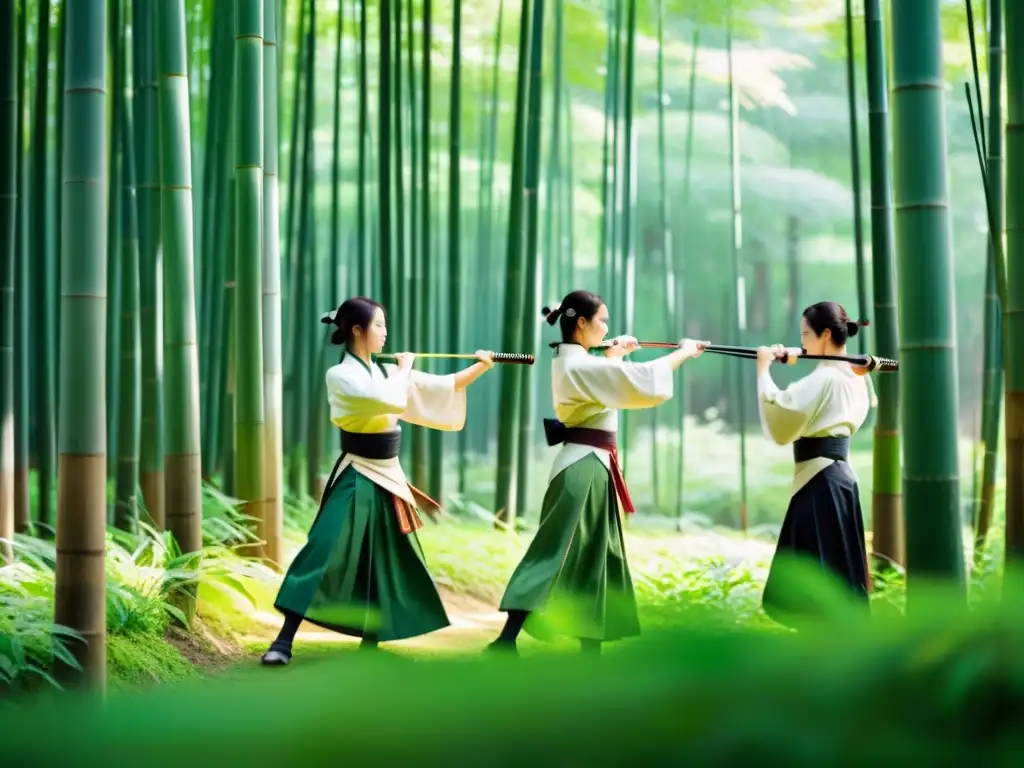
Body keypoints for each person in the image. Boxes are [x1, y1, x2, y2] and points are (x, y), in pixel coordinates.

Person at [261, 297, 494, 665]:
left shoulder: (386, 372)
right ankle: (283, 640)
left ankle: (372, 640)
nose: (386, 333)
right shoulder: (342, 375)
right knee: (322, 549)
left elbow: (442, 386)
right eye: (379, 325)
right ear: (357, 330)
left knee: (385, 557)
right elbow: (385, 399)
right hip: (357, 470)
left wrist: (482, 365)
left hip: (389, 474)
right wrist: (404, 369)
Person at [488, 289, 707, 655]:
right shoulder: (580, 366)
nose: (607, 326)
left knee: (597, 553)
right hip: (584, 467)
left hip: (592, 465)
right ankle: (506, 641)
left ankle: (588, 647)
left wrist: (614, 354)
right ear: (582, 323)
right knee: (554, 551)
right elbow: (638, 380)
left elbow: (609, 381)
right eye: (602, 320)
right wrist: (684, 352)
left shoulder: (575, 362)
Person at [756, 300, 875, 628]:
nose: (803, 341)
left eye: (806, 334)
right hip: (838, 479)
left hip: (821, 482)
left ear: (825, 335)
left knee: (818, 577)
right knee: (835, 573)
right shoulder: (855, 377)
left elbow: (781, 415)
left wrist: (764, 368)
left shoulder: (826, 379)